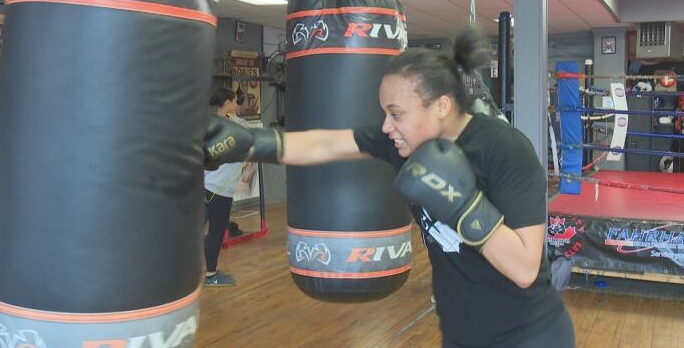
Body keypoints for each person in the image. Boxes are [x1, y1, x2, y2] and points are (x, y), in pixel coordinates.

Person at [203, 26, 575, 347]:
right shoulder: (405, 143)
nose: (385, 126)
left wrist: (462, 203)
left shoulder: (504, 149)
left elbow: (526, 268)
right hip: (462, 335)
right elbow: (326, 143)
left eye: (396, 114)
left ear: (442, 106)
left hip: (530, 336)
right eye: (384, 113)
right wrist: (252, 142)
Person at [202, 87, 246, 287]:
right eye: (235, 101)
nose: (237, 105)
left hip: (204, 187)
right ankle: (211, 275)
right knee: (216, 233)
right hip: (217, 191)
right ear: (227, 102)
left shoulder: (209, 124)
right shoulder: (231, 127)